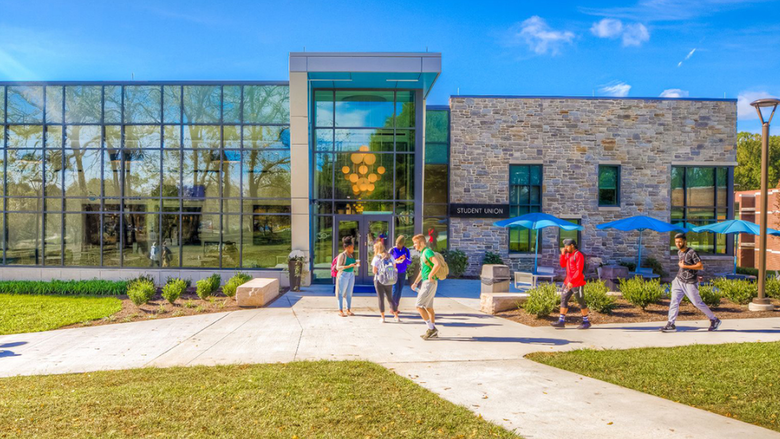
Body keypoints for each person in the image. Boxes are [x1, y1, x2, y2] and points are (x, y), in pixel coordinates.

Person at [660, 234, 722, 332]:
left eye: (679, 241)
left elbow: (700, 266)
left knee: (697, 303)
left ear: (685, 241)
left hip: (690, 283)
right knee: (674, 301)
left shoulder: (692, 252)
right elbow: (684, 267)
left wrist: (687, 268)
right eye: (676, 242)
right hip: (678, 280)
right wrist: (691, 272)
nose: (678, 244)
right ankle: (671, 324)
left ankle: (714, 320)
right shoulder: (679, 252)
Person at [551, 239, 590, 329]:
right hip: (567, 282)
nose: (565, 248)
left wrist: (572, 281)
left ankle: (586, 321)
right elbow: (562, 264)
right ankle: (561, 321)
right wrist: (563, 254)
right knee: (563, 299)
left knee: (581, 302)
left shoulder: (578, 255)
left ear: (572, 245)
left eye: (566, 246)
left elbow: (579, 270)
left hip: (577, 283)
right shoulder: (568, 254)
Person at [411, 234, 441, 340]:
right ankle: (433, 331)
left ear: (422, 243)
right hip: (427, 282)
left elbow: (437, 264)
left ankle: (431, 329)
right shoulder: (423, 253)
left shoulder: (427, 252)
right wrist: (415, 282)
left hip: (429, 282)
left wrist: (430, 275)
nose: (414, 245)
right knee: (428, 308)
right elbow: (422, 270)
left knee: (419, 306)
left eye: (416, 243)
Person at [372, 241, 400, 323]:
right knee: (390, 298)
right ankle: (396, 316)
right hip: (389, 279)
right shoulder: (390, 256)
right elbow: (394, 267)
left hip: (378, 280)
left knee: (381, 298)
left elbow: (374, 271)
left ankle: (383, 317)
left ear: (377, 249)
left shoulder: (377, 257)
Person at [335, 236, 359, 317]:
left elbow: (351, 265)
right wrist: (348, 266)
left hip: (351, 275)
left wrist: (355, 265)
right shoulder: (342, 255)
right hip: (343, 275)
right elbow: (338, 267)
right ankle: (341, 310)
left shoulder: (351, 256)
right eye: (352, 247)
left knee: (349, 293)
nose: (353, 248)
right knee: (340, 293)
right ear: (348, 247)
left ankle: (348, 309)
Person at [389, 235, 411, 311]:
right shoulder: (392, 250)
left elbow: (409, 262)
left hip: (402, 272)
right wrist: (396, 261)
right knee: (395, 289)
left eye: (399, 244)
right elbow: (388, 261)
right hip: (394, 272)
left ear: (402, 244)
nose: (397, 245)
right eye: (396, 243)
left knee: (400, 290)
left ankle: (396, 306)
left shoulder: (406, 250)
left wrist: (405, 259)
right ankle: (392, 307)